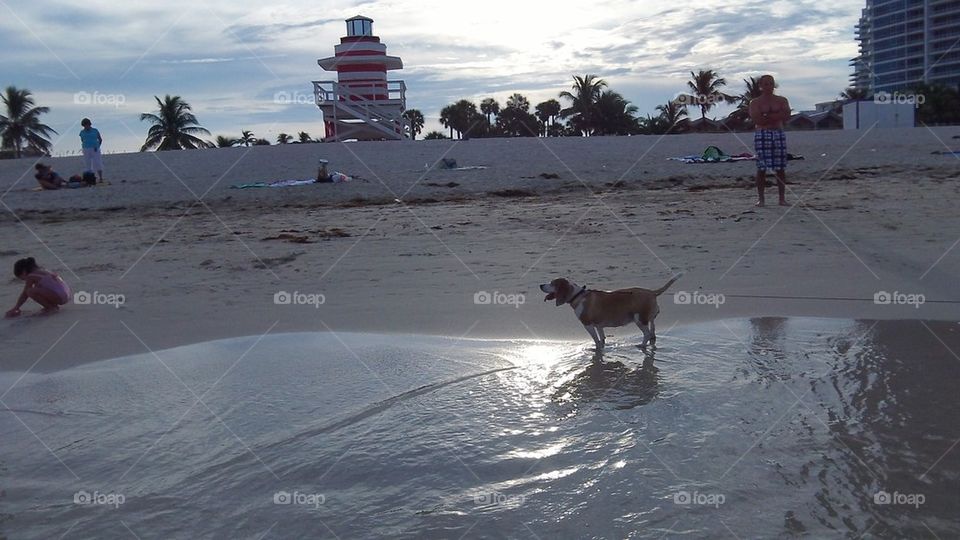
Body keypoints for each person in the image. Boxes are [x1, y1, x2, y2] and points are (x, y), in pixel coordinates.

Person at [748, 75, 790, 207]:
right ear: (761, 86)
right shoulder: (755, 102)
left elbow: (786, 115)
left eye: (770, 83)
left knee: (780, 167)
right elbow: (757, 119)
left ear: (774, 85)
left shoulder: (782, 100)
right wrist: (775, 116)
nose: (768, 86)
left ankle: (781, 198)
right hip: (762, 134)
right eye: (765, 84)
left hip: (778, 133)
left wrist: (767, 115)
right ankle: (761, 199)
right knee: (762, 167)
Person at [5, 257, 71, 317]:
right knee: (37, 287)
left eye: (22, 279)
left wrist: (16, 307)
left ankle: (51, 308)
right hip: (66, 295)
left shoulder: (31, 276)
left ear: (24, 272)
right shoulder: (44, 270)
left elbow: (25, 294)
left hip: (59, 296)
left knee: (30, 291)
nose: (25, 280)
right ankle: (52, 306)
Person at [79, 118, 104, 183]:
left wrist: (97, 146)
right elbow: (82, 140)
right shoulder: (82, 132)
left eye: (87, 125)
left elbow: (100, 139)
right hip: (86, 148)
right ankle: (90, 179)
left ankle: (100, 178)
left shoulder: (95, 130)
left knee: (98, 163)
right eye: (84, 125)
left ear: (89, 124)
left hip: (95, 148)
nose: (86, 126)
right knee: (87, 164)